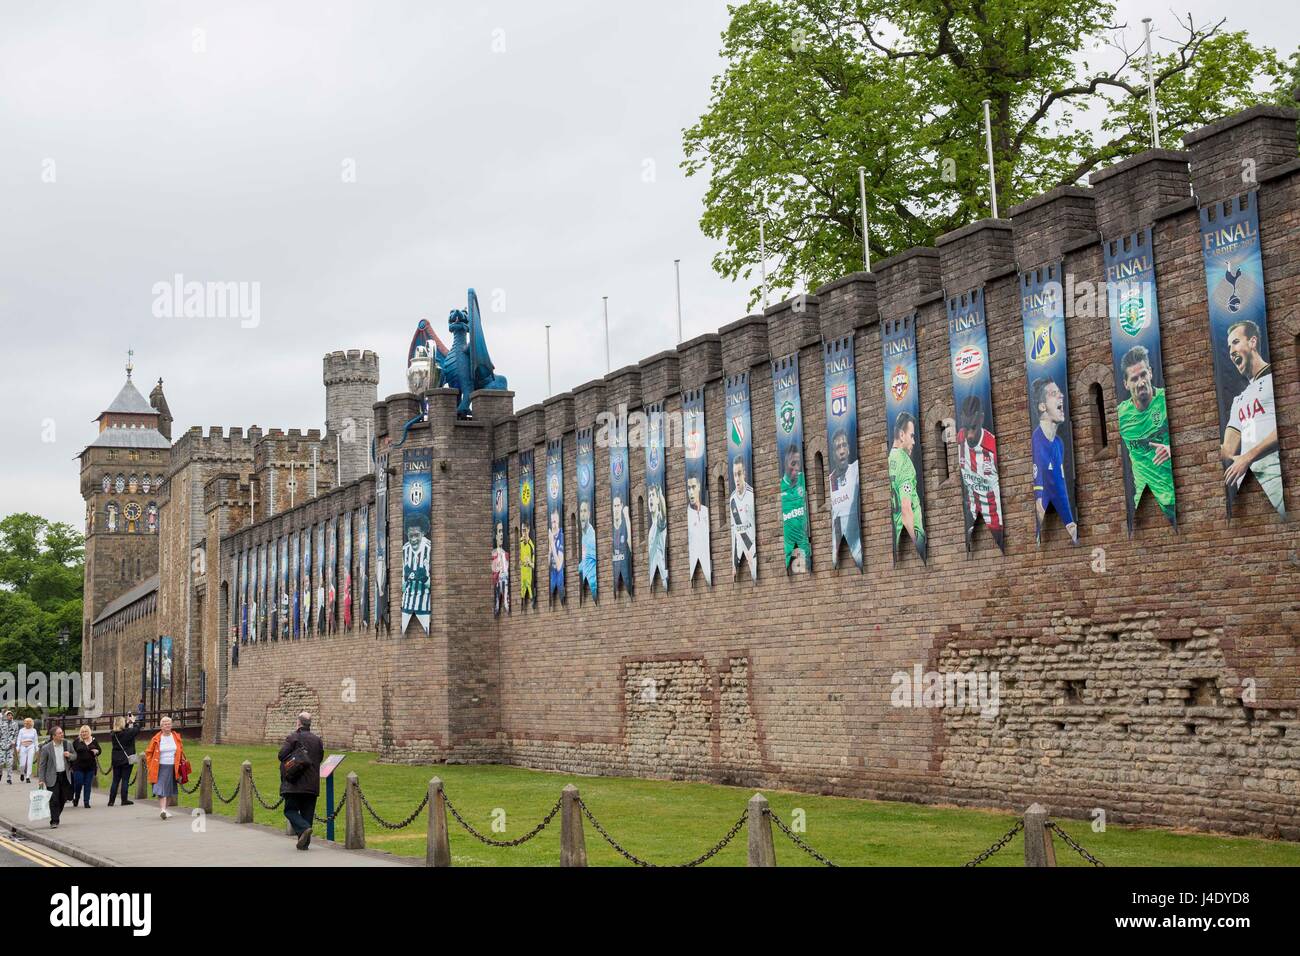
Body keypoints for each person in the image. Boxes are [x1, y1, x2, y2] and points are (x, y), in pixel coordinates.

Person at [1220, 320, 1285, 515]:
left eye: (1236, 342)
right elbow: (1228, 449)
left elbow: (1288, 425)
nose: (1231, 350)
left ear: (1253, 342)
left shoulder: (1277, 377)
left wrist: (1247, 457)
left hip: (1277, 478)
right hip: (1248, 486)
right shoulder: (1239, 400)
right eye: (1229, 346)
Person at [1116, 346, 1175, 523]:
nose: (1141, 382)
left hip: (1174, 498)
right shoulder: (1121, 415)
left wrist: (1172, 449)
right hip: (1144, 502)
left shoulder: (1166, 401)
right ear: (1126, 384)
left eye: (1143, 375)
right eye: (1134, 378)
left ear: (1150, 373)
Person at [1030, 378, 1078, 543]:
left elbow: (1059, 484)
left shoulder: (1059, 443)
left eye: (1060, 393)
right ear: (1042, 406)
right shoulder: (1036, 438)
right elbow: (1041, 480)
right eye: (1054, 394)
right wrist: (1040, 502)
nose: (1061, 396)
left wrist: (1069, 521)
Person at [955, 394, 1004, 545]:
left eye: (973, 428)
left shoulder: (991, 446)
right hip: (971, 518)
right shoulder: (960, 438)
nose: (969, 435)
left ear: (981, 419)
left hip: (996, 523)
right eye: (966, 428)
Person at [278, 711, 324, 850]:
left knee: (290, 810)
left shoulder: (293, 738)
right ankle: (304, 844)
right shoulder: (317, 740)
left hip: (294, 782)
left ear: (298, 723)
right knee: (307, 814)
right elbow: (319, 758)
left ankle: (304, 829)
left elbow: (281, 755)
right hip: (311, 784)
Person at [889, 412, 928, 552]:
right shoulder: (905, 463)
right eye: (911, 436)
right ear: (901, 435)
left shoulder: (889, 459)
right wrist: (919, 545)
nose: (914, 442)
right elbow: (906, 511)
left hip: (898, 535)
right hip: (913, 533)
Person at [827, 427, 861, 568]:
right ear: (833, 454)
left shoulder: (855, 471)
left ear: (848, 448)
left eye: (844, 445)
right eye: (837, 448)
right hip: (842, 548)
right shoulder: (831, 480)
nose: (841, 451)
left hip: (859, 547)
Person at [143, 715, 186, 819]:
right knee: (160, 788)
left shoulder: (176, 737)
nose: (167, 726)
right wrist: (150, 764)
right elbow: (148, 753)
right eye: (165, 724)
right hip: (160, 767)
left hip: (173, 767)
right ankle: (162, 809)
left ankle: (165, 810)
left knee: (171, 790)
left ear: (171, 725)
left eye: (169, 724)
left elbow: (180, 751)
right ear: (161, 726)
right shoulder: (156, 738)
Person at [35, 726, 76, 829]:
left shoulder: (68, 744)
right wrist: (41, 780)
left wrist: (69, 755)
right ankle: (54, 821)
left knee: (63, 798)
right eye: (59, 733)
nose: (62, 734)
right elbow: (42, 765)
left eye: (62, 732)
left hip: (65, 775)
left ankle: (55, 815)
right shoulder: (46, 748)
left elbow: (75, 756)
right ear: (54, 736)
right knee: (54, 799)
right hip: (52, 777)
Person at [779, 445, 810, 573]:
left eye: (798, 464)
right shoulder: (781, 486)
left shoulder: (802, 478)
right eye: (793, 463)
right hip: (790, 549)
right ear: (785, 464)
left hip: (805, 546)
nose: (796, 468)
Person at [729, 458, 756, 579]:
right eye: (734, 475)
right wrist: (734, 562)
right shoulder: (732, 499)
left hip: (753, 549)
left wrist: (752, 550)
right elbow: (735, 531)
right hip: (740, 549)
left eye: (739, 474)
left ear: (744, 473)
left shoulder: (751, 495)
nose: (737, 479)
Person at [108, 714, 140, 806]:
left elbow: (123, 730)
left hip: (116, 759)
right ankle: (124, 799)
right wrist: (134, 721)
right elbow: (137, 729)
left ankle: (111, 800)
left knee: (115, 780)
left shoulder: (113, 734)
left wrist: (127, 723)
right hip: (127, 759)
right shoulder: (128, 733)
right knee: (125, 779)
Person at [686, 474, 711, 582]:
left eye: (693, 487)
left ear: (699, 487)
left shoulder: (706, 511)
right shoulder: (688, 515)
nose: (691, 492)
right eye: (689, 488)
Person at [70, 725, 101, 809]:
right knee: (78, 783)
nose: (84, 733)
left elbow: (99, 750)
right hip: (78, 766)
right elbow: (72, 753)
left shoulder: (94, 740)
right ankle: (76, 798)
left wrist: (96, 751)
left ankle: (86, 802)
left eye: (85, 731)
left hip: (90, 767)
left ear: (89, 732)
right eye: (82, 732)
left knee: (87, 785)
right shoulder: (77, 741)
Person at [646, 484, 668, 586]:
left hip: (662, 577)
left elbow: (664, 512)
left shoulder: (659, 521)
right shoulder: (651, 528)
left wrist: (660, 495)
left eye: (653, 495)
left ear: (658, 500)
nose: (650, 498)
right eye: (649, 496)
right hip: (653, 575)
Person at [578, 499, 598, 600]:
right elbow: (586, 560)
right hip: (588, 585)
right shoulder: (584, 536)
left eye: (585, 511)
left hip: (593, 587)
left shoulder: (591, 537)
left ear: (589, 514)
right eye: (581, 511)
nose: (582, 514)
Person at [491, 521, 510, 616]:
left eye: (502, 531)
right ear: (496, 535)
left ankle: (506, 603)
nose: (501, 534)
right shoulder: (493, 554)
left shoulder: (506, 554)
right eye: (499, 531)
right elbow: (494, 576)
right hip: (498, 585)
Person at [548, 510, 565, 601]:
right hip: (552, 575)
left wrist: (552, 545)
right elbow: (548, 564)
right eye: (551, 522)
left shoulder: (561, 536)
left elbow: (559, 566)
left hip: (560, 576)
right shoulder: (551, 536)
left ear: (558, 521)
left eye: (554, 522)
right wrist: (550, 550)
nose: (553, 525)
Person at [518, 521, 535, 606]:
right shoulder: (519, 542)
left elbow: (534, 564)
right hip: (521, 576)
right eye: (522, 530)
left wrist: (529, 563)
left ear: (528, 530)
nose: (523, 533)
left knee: (529, 587)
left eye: (525, 530)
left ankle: (532, 601)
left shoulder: (532, 545)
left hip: (529, 576)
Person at [16, 718, 38, 783]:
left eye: (28, 723)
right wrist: (18, 747)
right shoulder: (21, 730)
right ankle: (22, 773)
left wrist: (37, 748)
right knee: (22, 763)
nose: (26, 724)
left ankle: (28, 777)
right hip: (23, 746)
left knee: (29, 762)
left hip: (31, 747)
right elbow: (19, 739)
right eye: (25, 723)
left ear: (31, 724)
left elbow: (35, 740)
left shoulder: (34, 730)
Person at [0, 711, 18, 784]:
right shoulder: (1, 724)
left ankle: (9, 778)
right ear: (6, 716)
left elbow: (16, 734)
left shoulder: (15, 724)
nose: (10, 716)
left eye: (11, 715)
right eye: (8, 715)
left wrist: (13, 741)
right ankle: (0, 773)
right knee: (1, 762)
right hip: (2, 746)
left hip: (10, 746)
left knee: (9, 763)